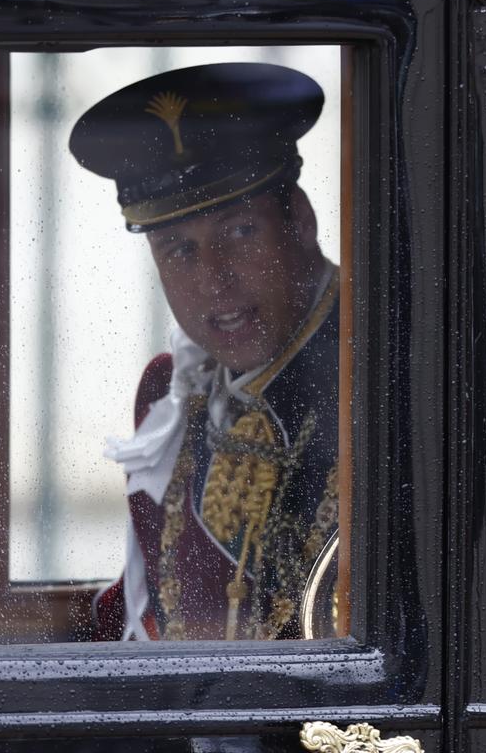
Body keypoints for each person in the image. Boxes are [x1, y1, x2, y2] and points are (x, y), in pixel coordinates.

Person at [69, 63, 339, 641]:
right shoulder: (168, 394)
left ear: (302, 221)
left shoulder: (392, 372)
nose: (213, 281)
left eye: (240, 233)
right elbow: (149, 618)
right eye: (178, 251)